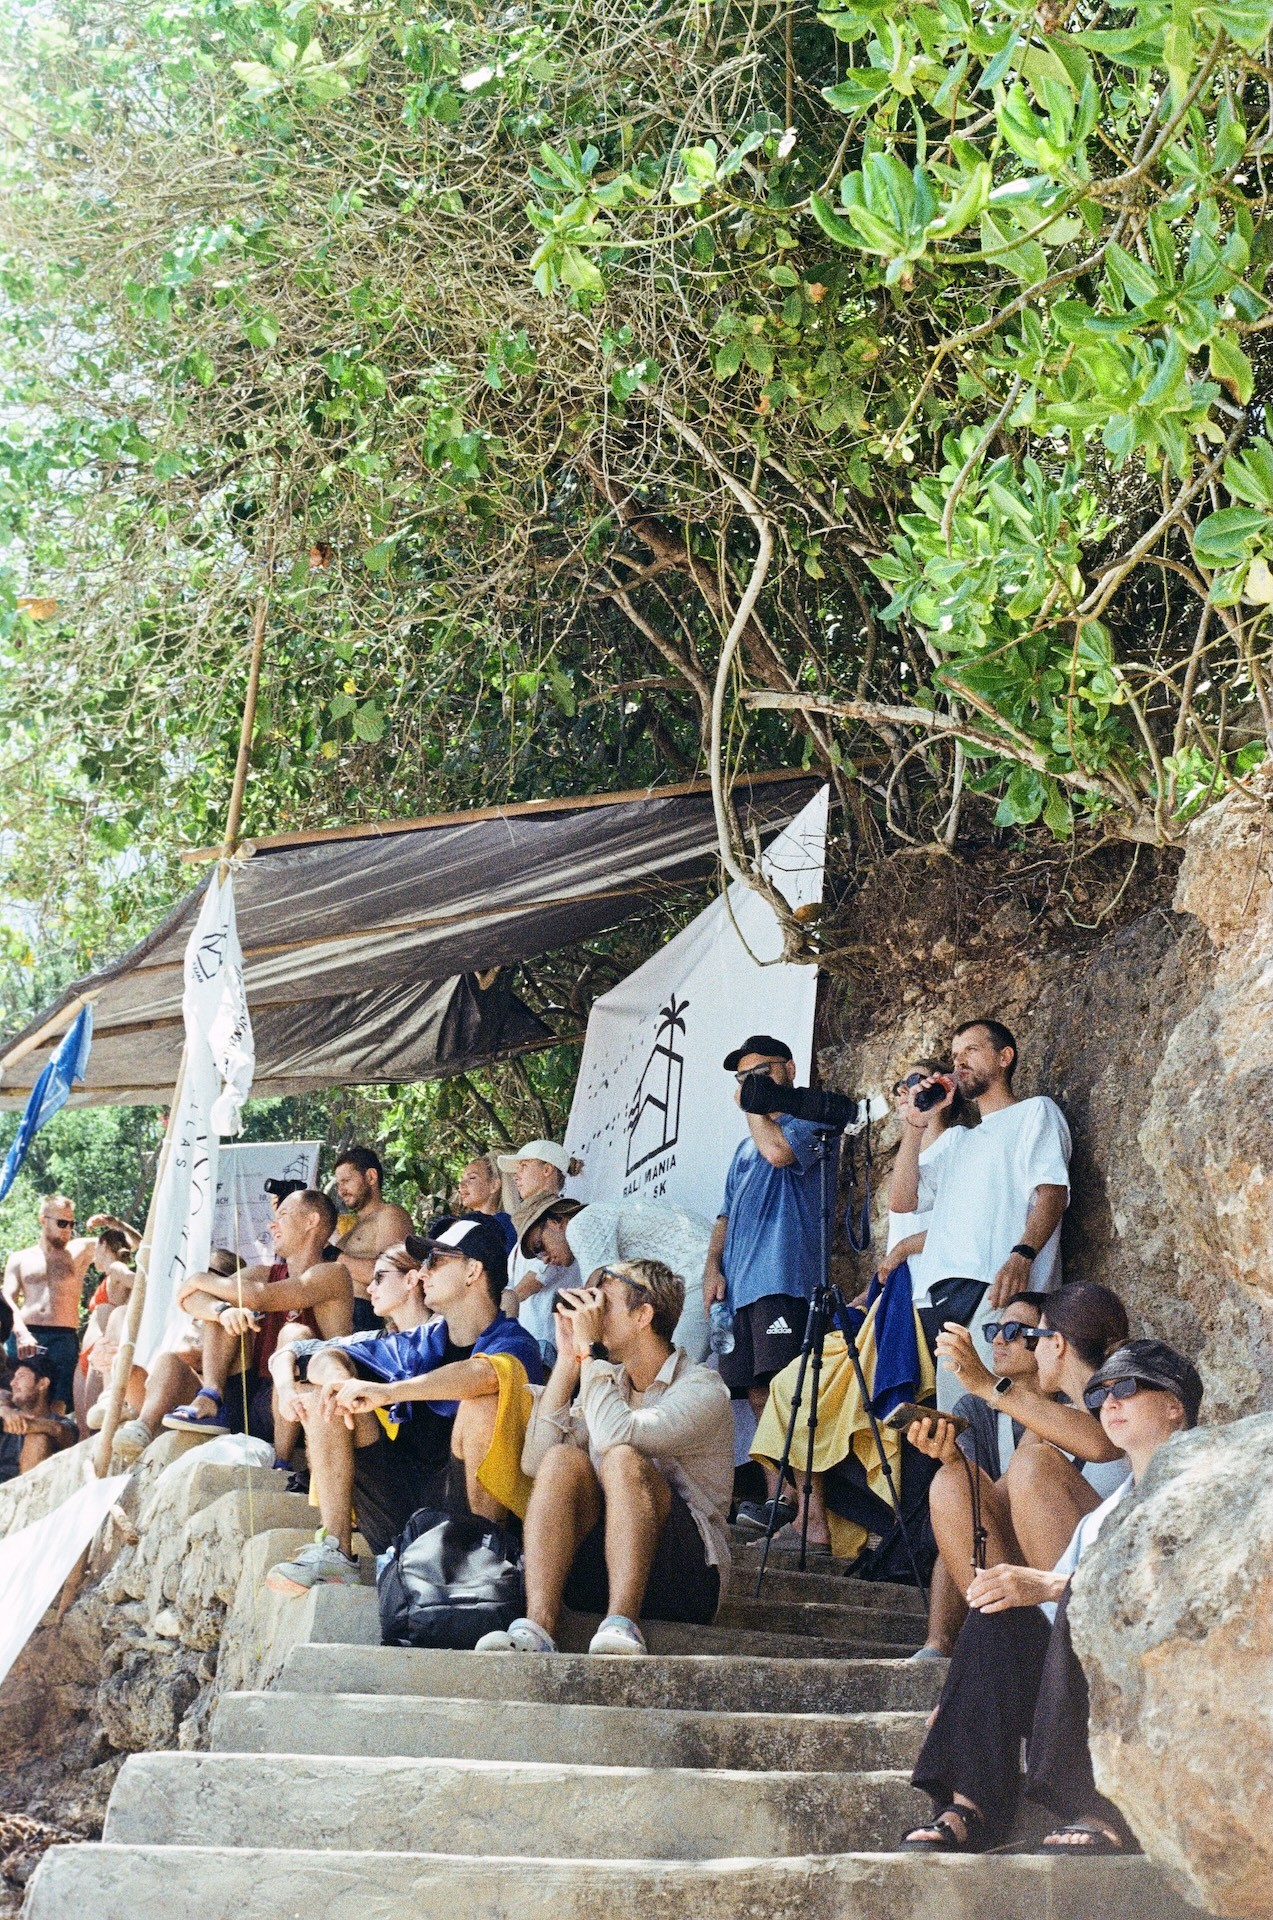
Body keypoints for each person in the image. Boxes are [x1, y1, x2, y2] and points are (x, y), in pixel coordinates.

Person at [900, 1338, 1204, 1855]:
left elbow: (1188, 1600)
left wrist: (1055, 1586)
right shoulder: (1100, 1520)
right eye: (1101, 1393)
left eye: (1126, 1388)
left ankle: (1103, 1804)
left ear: (1175, 1405)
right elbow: (1041, 1615)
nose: (1109, 1402)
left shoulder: (1208, 1481)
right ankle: (970, 1801)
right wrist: (967, 1691)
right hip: (1086, 1687)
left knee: (1063, 1597)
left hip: (1170, 1684)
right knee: (1003, 1608)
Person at [265, 1215, 543, 1592]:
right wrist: (331, 1384)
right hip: (401, 1509)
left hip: (466, 1513)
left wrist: (391, 1391)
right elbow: (312, 1353)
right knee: (327, 1394)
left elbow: (482, 1376)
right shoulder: (422, 1340)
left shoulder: (515, 1340)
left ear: (473, 1271)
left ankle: (484, 1558)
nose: (423, 1271)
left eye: (435, 1260)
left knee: (482, 1404)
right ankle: (335, 1551)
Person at [478, 1257, 734, 1657]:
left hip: (686, 1582)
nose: (589, 1313)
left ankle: (622, 1623)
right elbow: (536, 1462)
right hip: (602, 1569)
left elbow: (619, 1435)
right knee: (563, 1459)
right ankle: (538, 1628)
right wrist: (567, 1361)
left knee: (621, 1459)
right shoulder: (607, 1380)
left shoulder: (703, 1388)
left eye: (603, 1302)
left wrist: (591, 1352)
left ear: (643, 1315)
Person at [911, 1280, 1131, 1604]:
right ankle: (1006, 1640)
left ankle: (1054, 1641)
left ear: (1056, 1344)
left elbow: (1101, 1444)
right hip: (1053, 1579)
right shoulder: (1046, 1418)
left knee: (1033, 1463)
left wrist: (990, 1386)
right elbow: (1001, 1502)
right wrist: (954, 1463)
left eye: (1025, 1334)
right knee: (951, 1483)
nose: (1000, 1341)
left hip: (1114, 1581)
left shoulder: (1124, 1392)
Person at [892, 1021, 1071, 1409]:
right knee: (961, 1426)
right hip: (945, 1301)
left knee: (1010, 1414)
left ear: (1004, 1057)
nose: (958, 1062)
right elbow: (902, 1200)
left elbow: (1052, 1193)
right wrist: (914, 1126)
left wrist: (1022, 1255)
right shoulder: (958, 1139)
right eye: (955, 1055)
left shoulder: (1034, 1112)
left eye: (970, 1051)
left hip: (1000, 1293)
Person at [118, 1189, 351, 1461]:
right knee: (181, 1350)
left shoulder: (334, 1273)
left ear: (311, 1221)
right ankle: (200, 1400)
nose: (272, 1224)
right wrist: (220, 1311)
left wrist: (196, 1278)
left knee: (294, 1334)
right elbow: (193, 1299)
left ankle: (282, 1460)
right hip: (248, 1395)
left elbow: (260, 1297)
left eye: (283, 1215)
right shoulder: (265, 1273)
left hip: (301, 1404)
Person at [702, 1034, 823, 1525]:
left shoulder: (811, 1119)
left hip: (785, 1278)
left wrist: (756, 1106)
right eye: (742, 1079)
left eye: (760, 1072)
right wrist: (712, 1266)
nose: (750, 1084)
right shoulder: (741, 1150)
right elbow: (724, 1216)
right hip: (741, 1289)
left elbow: (779, 1153)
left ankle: (813, 1515)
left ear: (789, 1069)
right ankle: (780, 1500)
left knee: (788, 1389)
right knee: (753, 1394)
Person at [514, 1191, 713, 1363]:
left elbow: (598, 1293)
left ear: (555, 1221)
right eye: (537, 1255)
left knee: (673, 1378)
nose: (545, 1258)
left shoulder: (580, 1223)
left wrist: (583, 1352)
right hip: (705, 1272)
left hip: (698, 1276)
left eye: (539, 1246)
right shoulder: (601, 1216)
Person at [3, 1200, 139, 1415]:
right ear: (43, 1220)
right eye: (61, 1223)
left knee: (59, 1403)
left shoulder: (80, 1249)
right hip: (25, 1334)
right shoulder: (19, 1258)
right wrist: (20, 1333)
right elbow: (7, 1298)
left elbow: (132, 1245)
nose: (68, 1229)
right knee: (13, 1397)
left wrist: (116, 1224)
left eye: (71, 1223)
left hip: (63, 1336)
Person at [876, 1058, 966, 1301]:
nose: (905, 1090)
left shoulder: (957, 1141)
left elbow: (966, 1222)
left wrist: (903, 1249)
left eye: (915, 1081)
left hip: (940, 1291)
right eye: (900, 1085)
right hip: (904, 1292)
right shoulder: (908, 1157)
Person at [496, 1140, 582, 1346]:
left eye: (523, 1166)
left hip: (550, 1340)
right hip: (532, 1339)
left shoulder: (561, 1220)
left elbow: (534, 1279)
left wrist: (497, 1309)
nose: (516, 1176)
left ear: (547, 1169)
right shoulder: (524, 1239)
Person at [331, 1147, 413, 1329]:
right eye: (338, 1184)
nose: (341, 1191)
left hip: (366, 1314)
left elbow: (389, 1273)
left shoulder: (390, 1214)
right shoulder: (352, 1227)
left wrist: (333, 1255)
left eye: (346, 1181)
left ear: (370, 1177)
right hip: (338, 1312)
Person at [0, 1357, 77, 1476]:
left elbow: (58, 1429)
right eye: (13, 1378)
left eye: (21, 1376)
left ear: (42, 1383)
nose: (12, 1383)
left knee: (38, 1437)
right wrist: (4, 1410)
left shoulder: (65, 1424)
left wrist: (14, 1420)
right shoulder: (6, 1412)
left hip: (35, 1489)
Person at [457, 1153, 517, 1253]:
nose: (461, 1185)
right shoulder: (461, 1224)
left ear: (494, 1185)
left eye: (472, 1178)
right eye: (462, 1179)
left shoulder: (505, 1225)